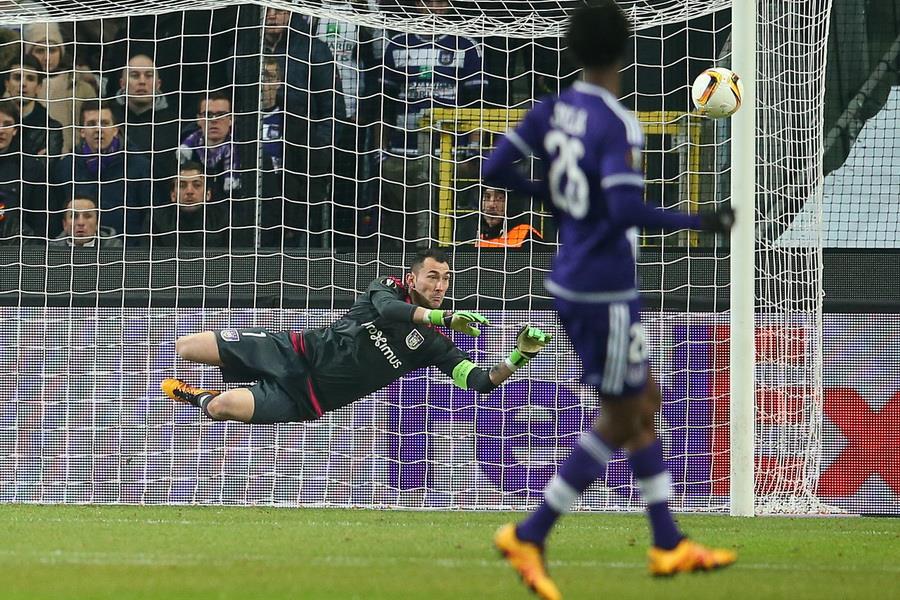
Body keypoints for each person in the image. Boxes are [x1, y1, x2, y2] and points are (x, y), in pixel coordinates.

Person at [481, 3, 737, 597]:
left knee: (640, 401)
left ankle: (668, 541)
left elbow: (494, 168)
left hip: (570, 277)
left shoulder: (550, 109)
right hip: (606, 286)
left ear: (572, 51)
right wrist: (698, 220)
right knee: (625, 412)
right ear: (625, 53)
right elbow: (622, 210)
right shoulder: (617, 123)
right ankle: (531, 534)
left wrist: (552, 193)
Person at [161, 247, 551, 425]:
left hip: (309, 397)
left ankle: (198, 395)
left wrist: (520, 355)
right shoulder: (387, 288)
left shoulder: (434, 344)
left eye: (446, 279)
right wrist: (445, 317)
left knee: (222, 407)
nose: (440, 285)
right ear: (412, 278)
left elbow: (480, 381)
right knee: (187, 347)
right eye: (433, 276)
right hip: (293, 351)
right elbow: (391, 313)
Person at [51, 99, 152, 241]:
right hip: (78, 251)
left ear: (115, 130)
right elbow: (56, 217)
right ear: (82, 131)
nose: (98, 129)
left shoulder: (139, 166)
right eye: (91, 124)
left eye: (104, 123)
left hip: (127, 251)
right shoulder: (66, 168)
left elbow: (149, 218)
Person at [150, 161, 228, 248]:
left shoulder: (224, 219)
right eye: (182, 185)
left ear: (208, 194)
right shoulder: (156, 220)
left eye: (197, 185)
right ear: (173, 195)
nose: (189, 191)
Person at [3, 53, 64, 157]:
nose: (23, 84)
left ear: (39, 87)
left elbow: (44, 166)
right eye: (17, 78)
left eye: (30, 79)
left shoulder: (51, 130)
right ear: (7, 84)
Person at [475, 186, 543, 249]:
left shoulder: (527, 235)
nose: (491, 205)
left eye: (500, 198)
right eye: (487, 197)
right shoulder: (481, 238)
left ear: (510, 203)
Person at [50, 196, 122, 248]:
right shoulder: (51, 249)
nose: (81, 223)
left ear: (97, 223)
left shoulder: (114, 247)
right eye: (74, 216)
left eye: (87, 216)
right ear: (65, 224)